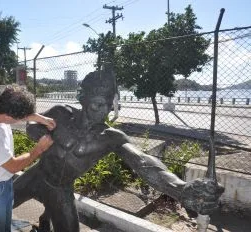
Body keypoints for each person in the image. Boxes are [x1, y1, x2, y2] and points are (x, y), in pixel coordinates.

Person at [12, 66, 224, 232]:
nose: (102, 113)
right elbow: (31, 124)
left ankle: (46, 220)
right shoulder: (59, 113)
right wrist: (37, 133)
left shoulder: (110, 137)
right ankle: (43, 221)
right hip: (36, 175)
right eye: (96, 105)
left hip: (61, 191)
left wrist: (180, 189)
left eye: (108, 105)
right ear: (83, 99)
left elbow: (144, 163)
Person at [0, 85, 56, 232]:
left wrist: (40, 118)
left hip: (3, 183)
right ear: (8, 116)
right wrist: (39, 149)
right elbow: (13, 166)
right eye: (18, 119)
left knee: (4, 228)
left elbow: (18, 111)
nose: (20, 121)